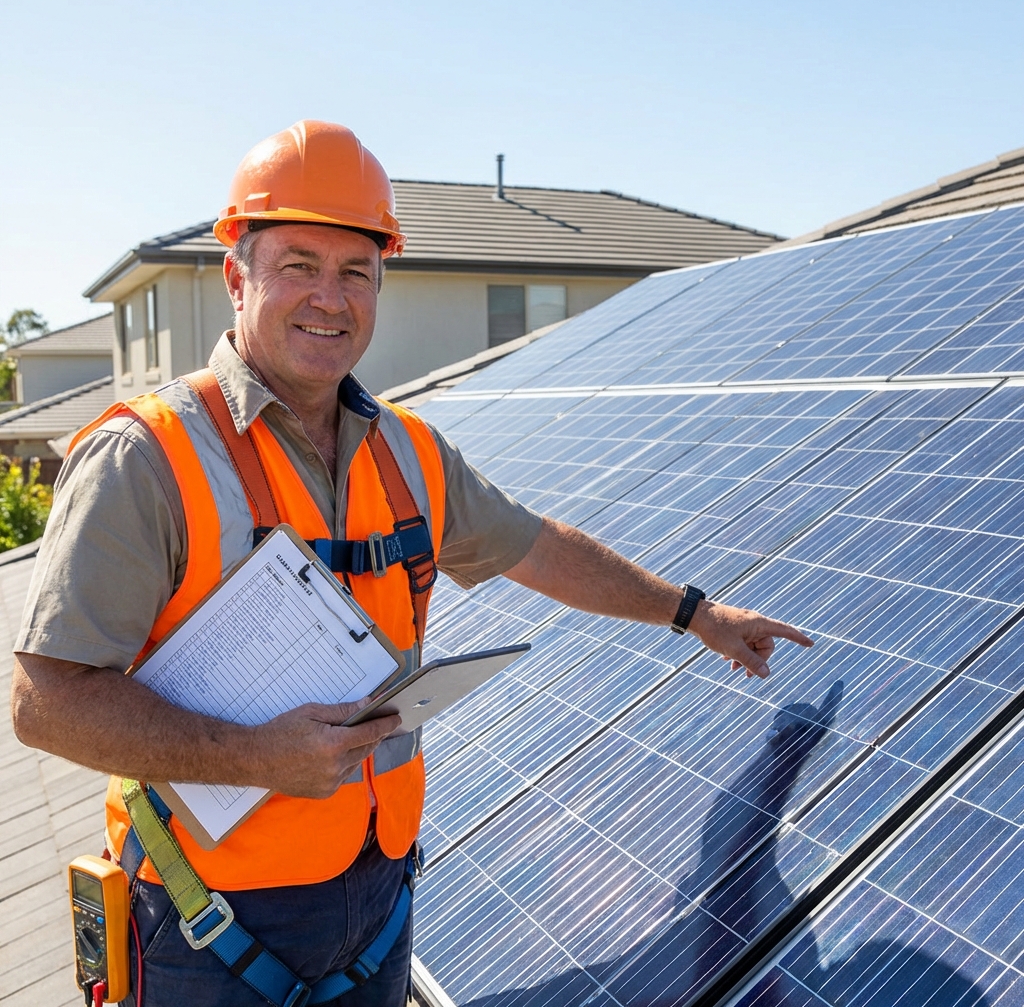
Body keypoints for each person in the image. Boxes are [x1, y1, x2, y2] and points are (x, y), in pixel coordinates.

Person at [10, 120, 812, 1007]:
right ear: (237, 278)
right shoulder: (146, 458)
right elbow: (46, 704)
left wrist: (695, 613)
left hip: (380, 896)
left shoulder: (411, 454)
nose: (331, 298)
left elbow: (539, 548)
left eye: (357, 271)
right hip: (205, 923)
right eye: (299, 265)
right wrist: (251, 756)